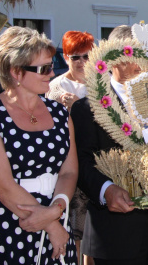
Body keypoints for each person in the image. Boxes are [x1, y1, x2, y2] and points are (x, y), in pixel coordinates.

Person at [70, 25, 148, 265]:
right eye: (132, 57)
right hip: (114, 234)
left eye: (145, 56)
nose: (140, 64)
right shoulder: (88, 108)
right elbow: (81, 164)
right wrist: (106, 189)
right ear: (112, 59)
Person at [0, 26, 78, 264]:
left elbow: (70, 171)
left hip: (57, 217)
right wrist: (51, 225)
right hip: (10, 224)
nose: (52, 74)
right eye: (44, 68)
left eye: (51, 66)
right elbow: (3, 185)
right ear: (16, 72)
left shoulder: (60, 113)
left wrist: (57, 208)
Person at [46, 30, 95, 265]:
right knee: (76, 224)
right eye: (76, 57)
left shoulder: (101, 85)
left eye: (87, 56)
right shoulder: (55, 86)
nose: (82, 62)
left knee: (95, 229)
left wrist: (80, 106)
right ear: (66, 57)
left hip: (97, 160)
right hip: (68, 161)